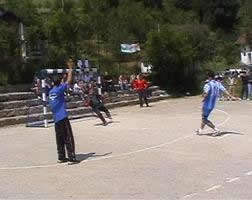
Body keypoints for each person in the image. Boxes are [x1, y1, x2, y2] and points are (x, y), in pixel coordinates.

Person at [48, 57, 80, 165]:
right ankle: (72, 157)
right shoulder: (59, 89)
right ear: (59, 81)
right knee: (68, 137)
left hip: (56, 118)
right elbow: (69, 81)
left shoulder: (51, 91)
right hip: (62, 116)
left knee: (59, 138)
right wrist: (70, 68)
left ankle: (61, 156)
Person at [196, 70, 239, 136]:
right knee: (205, 117)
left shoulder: (208, 84)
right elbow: (225, 91)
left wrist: (203, 96)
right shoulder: (218, 83)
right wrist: (232, 97)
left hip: (207, 104)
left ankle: (216, 130)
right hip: (212, 104)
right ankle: (200, 130)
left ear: (208, 76)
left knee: (204, 118)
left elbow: (206, 94)